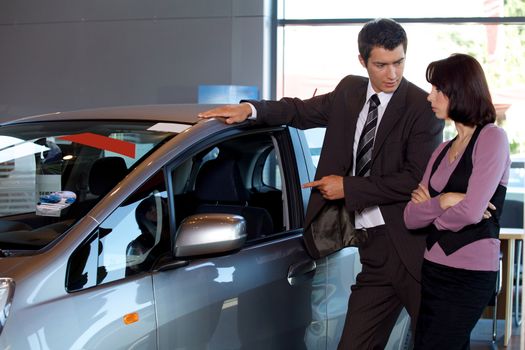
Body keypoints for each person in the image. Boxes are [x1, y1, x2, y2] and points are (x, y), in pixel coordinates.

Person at [199, 18, 443, 349]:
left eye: (399, 62)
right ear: (363, 61)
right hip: (372, 250)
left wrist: (348, 187)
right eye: (381, 64)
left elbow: (412, 178)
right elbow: (299, 111)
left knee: (439, 341)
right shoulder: (348, 92)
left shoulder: (420, 108)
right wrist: (250, 110)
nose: (392, 74)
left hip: (412, 250)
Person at [403, 53, 511, 349]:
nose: (429, 97)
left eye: (437, 89)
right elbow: (410, 217)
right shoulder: (441, 151)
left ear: (459, 90)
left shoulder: (492, 138)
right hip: (433, 268)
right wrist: (446, 201)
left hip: (470, 274)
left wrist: (434, 210)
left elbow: (473, 211)